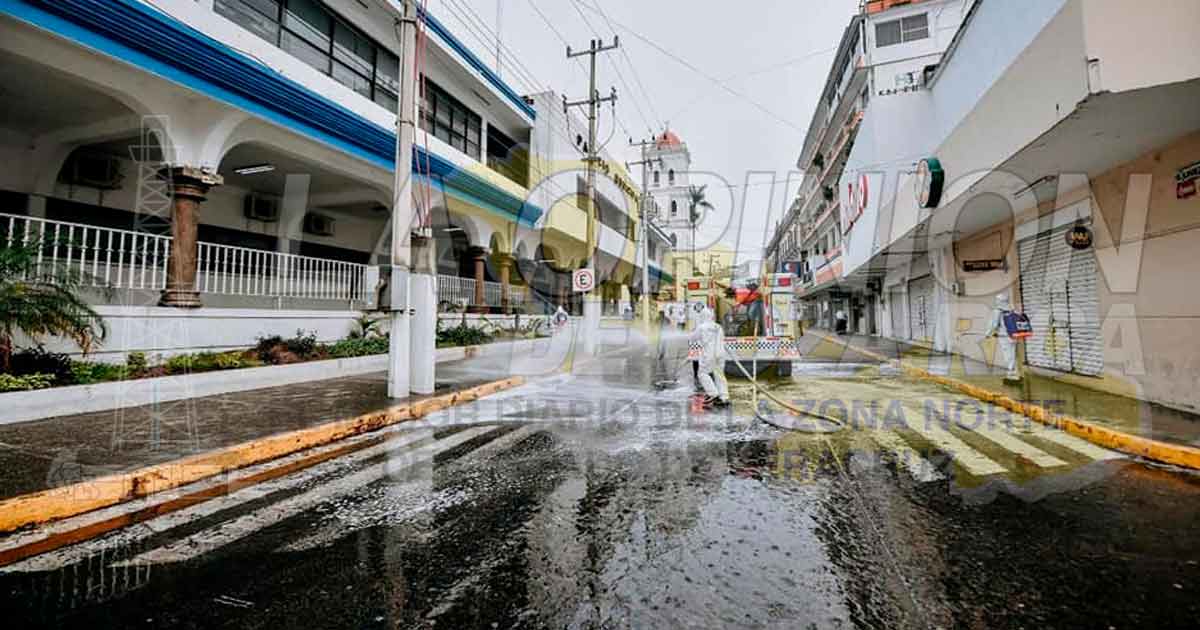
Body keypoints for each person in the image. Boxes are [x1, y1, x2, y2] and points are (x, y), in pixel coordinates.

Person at [691, 307, 730, 408]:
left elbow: (693, 338)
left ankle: (713, 393)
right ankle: (724, 397)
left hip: (709, 354)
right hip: (720, 354)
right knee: (719, 375)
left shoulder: (701, 327)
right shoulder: (718, 326)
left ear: (702, 316)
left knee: (702, 373)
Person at [986, 293, 1022, 383]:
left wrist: (988, 333)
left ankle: (1011, 374)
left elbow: (994, 324)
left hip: (1004, 337)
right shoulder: (1012, 309)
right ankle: (1016, 373)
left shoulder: (998, 310)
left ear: (999, 301)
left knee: (1008, 355)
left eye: (997, 299)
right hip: (1013, 335)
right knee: (1013, 353)